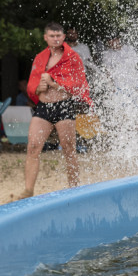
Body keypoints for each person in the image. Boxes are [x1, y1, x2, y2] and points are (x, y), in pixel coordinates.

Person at [18, 22, 92, 200]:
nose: (55, 39)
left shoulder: (73, 57)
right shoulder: (40, 58)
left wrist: (53, 83)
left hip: (63, 106)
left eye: (58, 36)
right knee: (33, 147)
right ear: (46, 37)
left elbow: (77, 86)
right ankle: (28, 190)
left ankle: (74, 189)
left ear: (63, 37)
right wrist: (38, 88)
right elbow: (32, 85)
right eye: (52, 36)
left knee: (68, 149)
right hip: (43, 107)